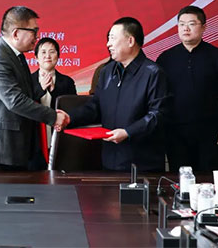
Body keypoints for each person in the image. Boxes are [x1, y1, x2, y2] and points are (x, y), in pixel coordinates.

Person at [0, 6, 69, 170]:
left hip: (12, 149)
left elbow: (26, 95)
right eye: (34, 31)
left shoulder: (15, 56)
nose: (36, 37)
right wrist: (53, 117)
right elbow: (14, 101)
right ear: (16, 34)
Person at [65, 17, 168, 172]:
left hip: (142, 164)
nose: (108, 44)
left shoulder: (153, 73)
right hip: (110, 160)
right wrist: (69, 118)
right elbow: (96, 106)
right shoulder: (107, 72)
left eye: (112, 38)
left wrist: (128, 132)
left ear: (130, 41)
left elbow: (158, 115)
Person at [156, 5, 218, 172]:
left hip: (210, 133)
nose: (185, 28)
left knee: (208, 181)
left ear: (204, 27)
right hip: (175, 133)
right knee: (180, 180)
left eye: (191, 24)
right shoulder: (165, 58)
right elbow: (158, 98)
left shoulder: (217, 56)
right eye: (181, 24)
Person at [32, 37, 77, 110]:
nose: (47, 56)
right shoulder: (27, 80)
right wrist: (40, 89)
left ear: (58, 56)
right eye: (43, 52)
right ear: (36, 57)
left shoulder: (68, 82)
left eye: (52, 52)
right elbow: (22, 105)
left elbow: (72, 108)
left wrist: (54, 91)